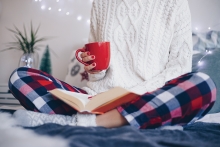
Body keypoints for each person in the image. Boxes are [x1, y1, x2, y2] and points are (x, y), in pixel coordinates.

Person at [9, 0, 216, 129]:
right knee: (20, 77)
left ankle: (80, 122)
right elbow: (97, 71)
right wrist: (95, 70)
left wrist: (130, 94)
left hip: (146, 98)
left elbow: (180, 68)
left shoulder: (174, 3)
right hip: (96, 99)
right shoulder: (101, 2)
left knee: (203, 85)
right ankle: (126, 120)